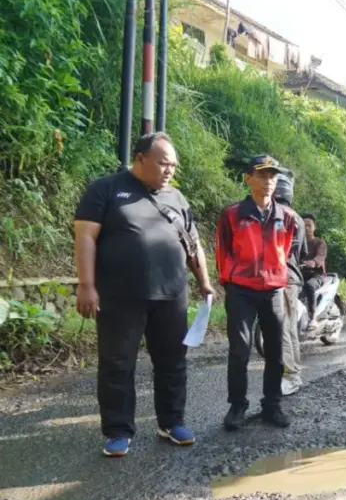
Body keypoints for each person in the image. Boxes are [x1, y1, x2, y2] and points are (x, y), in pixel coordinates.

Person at [73, 132, 215, 457]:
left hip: (171, 295)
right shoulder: (105, 190)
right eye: (163, 163)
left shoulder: (177, 199)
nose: (169, 170)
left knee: (172, 362)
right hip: (119, 297)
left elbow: (193, 243)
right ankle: (118, 431)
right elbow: (85, 238)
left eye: (174, 165)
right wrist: (86, 284)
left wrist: (204, 282)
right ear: (140, 158)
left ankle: (171, 422)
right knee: (117, 363)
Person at [215, 155, 301, 431]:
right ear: (248, 178)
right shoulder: (232, 214)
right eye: (262, 175)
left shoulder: (286, 217)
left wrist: (276, 276)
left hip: (273, 289)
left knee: (274, 349)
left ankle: (272, 404)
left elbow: (286, 250)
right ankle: (237, 406)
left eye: (272, 176)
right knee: (240, 349)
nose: (268, 181)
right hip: (240, 289)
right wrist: (229, 280)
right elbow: (223, 250)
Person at [274, 169, 307, 397]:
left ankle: (291, 374)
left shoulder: (279, 214)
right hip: (292, 277)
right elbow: (302, 251)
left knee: (284, 328)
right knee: (290, 328)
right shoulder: (298, 217)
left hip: (282, 276)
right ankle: (294, 372)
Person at [299, 213, 328, 319]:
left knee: (309, 286)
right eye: (304, 225)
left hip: (316, 274)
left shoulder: (320, 243)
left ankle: (313, 316)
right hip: (300, 274)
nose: (306, 228)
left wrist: (313, 262)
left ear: (314, 227)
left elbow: (320, 257)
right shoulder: (298, 243)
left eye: (309, 225)